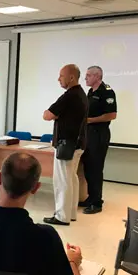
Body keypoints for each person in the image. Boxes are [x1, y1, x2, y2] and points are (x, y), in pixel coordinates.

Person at [43, 64, 88, 226]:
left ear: (71, 77)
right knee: (71, 178)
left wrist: (56, 116)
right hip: (77, 143)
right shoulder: (81, 94)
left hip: (66, 145)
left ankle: (62, 216)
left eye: (61, 76)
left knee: (62, 180)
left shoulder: (69, 96)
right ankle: (71, 213)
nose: (58, 79)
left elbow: (47, 115)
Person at [81, 66, 117, 215]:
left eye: (88, 75)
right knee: (88, 167)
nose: (85, 78)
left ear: (97, 76)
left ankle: (97, 202)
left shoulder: (107, 91)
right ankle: (91, 197)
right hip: (88, 134)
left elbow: (111, 115)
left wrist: (89, 120)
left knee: (95, 168)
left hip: (99, 134)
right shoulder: (91, 92)